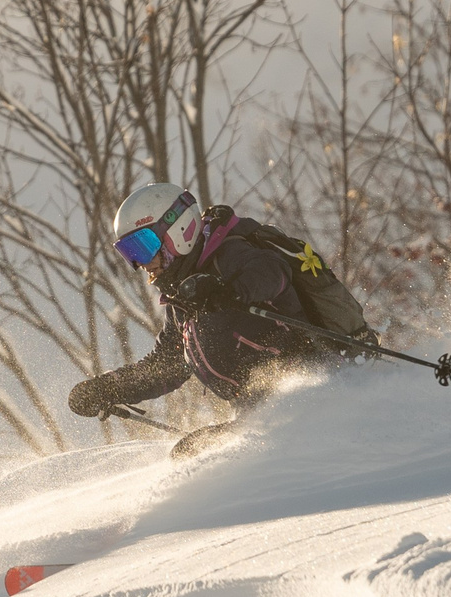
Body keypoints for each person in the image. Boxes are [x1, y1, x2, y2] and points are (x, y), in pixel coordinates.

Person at [67, 182, 353, 435]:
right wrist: (109, 388)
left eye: (144, 245)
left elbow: (272, 273)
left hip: (317, 381)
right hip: (265, 411)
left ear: (178, 230)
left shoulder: (228, 255)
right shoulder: (183, 301)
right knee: (187, 455)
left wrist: (228, 292)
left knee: (210, 325)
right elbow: (166, 367)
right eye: (131, 253)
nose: (141, 262)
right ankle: (254, 428)